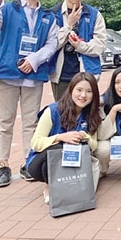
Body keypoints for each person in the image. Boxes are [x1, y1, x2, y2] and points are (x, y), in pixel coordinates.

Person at [0, 0, 59, 187]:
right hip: (7, 73)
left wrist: (34, 60)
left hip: (33, 75)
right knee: (4, 123)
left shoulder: (48, 16)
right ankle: (3, 165)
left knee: (30, 123)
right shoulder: (7, 9)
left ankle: (29, 162)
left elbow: (52, 44)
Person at [26, 72, 101, 203]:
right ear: (71, 90)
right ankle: (49, 187)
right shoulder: (53, 110)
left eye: (89, 91)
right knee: (60, 147)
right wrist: (60, 137)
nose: (83, 95)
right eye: (79, 90)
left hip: (73, 162)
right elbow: (36, 143)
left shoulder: (91, 114)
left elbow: (94, 146)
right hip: (41, 162)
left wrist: (86, 137)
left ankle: (65, 186)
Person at [49, 0, 107, 101]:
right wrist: (69, 25)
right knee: (63, 113)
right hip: (61, 74)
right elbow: (51, 45)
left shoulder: (93, 14)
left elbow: (100, 45)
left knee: (86, 114)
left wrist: (80, 46)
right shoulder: (53, 14)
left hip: (87, 72)